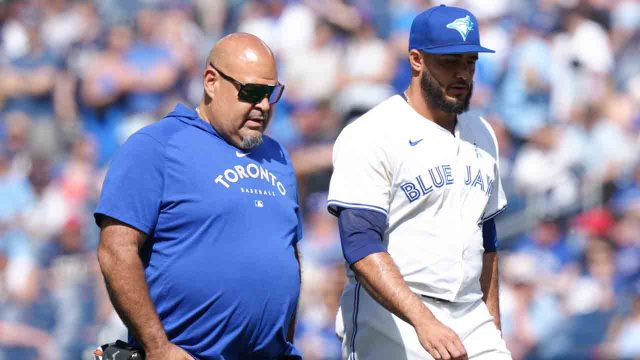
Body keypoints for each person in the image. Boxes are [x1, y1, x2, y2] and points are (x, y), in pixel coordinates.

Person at [95, 33, 302, 360]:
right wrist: (158, 348)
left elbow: (287, 254)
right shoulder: (157, 145)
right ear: (211, 82)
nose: (263, 105)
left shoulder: (278, 158)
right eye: (251, 92)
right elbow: (115, 250)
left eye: (271, 93)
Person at [327, 5, 511, 360]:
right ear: (416, 59)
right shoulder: (371, 133)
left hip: (470, 313)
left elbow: (488, 243)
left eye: (470, 61)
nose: (462, 73)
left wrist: (493, 329)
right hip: (392, 315)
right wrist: (423, 321)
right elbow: (360, 245)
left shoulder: (482, 133)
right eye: (450, 61)